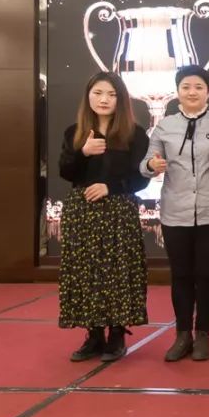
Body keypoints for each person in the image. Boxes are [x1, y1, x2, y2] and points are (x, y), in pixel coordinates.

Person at [58, 72, 149, 362]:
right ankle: (94, 335)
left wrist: (111, 187)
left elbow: (141, 178)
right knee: (86, 273)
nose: (104, 99)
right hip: (82, 211)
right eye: (98, 93)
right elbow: (66, 172)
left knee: (117, 271)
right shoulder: (75, 132)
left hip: (118, 210)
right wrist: (83, 152)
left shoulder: (135, 134)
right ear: (88, 96)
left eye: (111, 94)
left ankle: (117, 334)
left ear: (121, 99)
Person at [141, 66, 209, 362]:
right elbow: (145, 164)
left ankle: (203, 334)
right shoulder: (165, 126)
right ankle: (182, 334)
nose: (192, 92)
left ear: (208, 92)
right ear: (177, 91)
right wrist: (152, 166)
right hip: (174, 214)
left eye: (198, 87)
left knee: (206, 275)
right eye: (186, 87)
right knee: (181, 275)